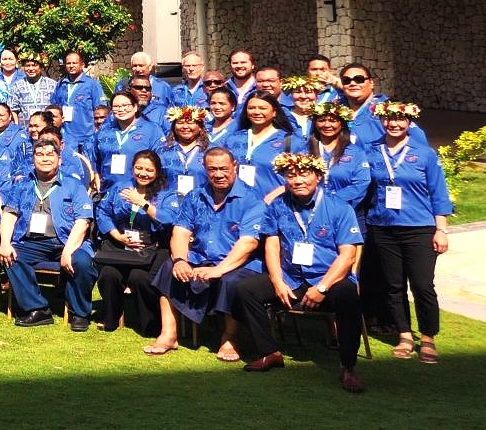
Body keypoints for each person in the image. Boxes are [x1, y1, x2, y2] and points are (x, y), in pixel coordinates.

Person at [231, 153, 366, 391]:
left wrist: (322, 288)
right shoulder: (278, 205)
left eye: (304, 174)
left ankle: (348, 366)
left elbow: (348, 255)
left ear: (318, 176)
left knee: (348, 296)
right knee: (245, 289)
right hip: (292, 277)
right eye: (291, 175)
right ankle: (269, 352)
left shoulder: (339, 208)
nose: (298, 180)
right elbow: (271, 244)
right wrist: (277, 281)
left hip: (328, 279)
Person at [156, 148, 265, 362]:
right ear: (205, 170)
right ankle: (169, 334)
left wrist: (218, 270)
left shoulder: (252, 199)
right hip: (200, 256)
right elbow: (180, 231)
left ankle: (230, 338)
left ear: (235, 167)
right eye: (212, 169)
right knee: (168, 267)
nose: (218, 174)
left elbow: (248, 243)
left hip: (238, 263)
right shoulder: (195, 196)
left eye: (223, 168)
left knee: (231, 281)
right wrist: (180, 260)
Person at [364, 100, 450, 364]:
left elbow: (439, 193)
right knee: (393, 285)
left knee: (423, 285)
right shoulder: (371, 151)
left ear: (410, 122)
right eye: (389, 119)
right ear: (382, 121)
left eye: (400, 119)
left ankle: (427, 337)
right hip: (383, 227)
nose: (394, 124)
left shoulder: (424, 153)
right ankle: (404, 335)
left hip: (419, 228)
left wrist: (441, 230)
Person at [0, 140, 97, 330]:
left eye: (50, 154)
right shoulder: (22, 185)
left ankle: (79, 313)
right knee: (11, 257)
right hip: (32, 242)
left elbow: (83, 221)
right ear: (33, 159)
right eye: (40, 155)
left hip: (67, 241)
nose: (45, 158)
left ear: (59, 160)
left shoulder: (73, 185)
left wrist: (68, 250)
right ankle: (38, 309)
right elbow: (9, 214)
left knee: (82, 263)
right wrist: (4, 243)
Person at [94, 150, 173, 343]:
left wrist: (143, 204)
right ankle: (110, 318)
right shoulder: (120, 187)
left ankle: (149, 323)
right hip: (121, 245)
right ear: (132, 168)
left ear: (157, 172)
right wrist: (117, 236)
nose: (143, 173)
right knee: (108, 274)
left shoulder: (165, 193)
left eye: (149, 170)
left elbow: (170, 220)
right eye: (139, 168)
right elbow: (103, 212)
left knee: (139, 278)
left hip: (150, 247)